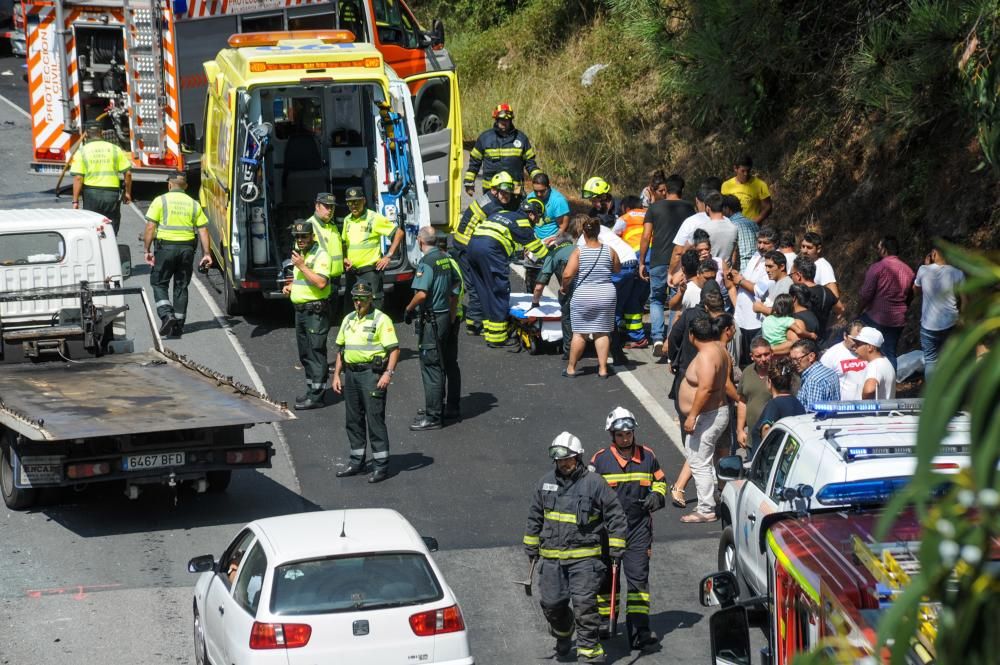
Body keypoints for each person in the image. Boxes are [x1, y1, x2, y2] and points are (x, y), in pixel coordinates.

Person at [523, 432, 628, 663]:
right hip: (552, 561)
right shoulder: (545, 483)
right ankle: (563, 631)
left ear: (578, 458)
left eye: (568, 459)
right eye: (560, 460)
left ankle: (589, 653)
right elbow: (534, 517)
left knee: (584, 607)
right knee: (551, 606)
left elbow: (615, 515)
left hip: (586, 561)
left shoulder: (594, 483)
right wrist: (530, 545)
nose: (563, 464)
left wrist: (617, 546)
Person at [589, 408, 665, 651]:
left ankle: (640, 631)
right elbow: (587, 493)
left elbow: (661, 482)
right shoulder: (599, 460)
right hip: (607, 531)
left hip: (638, 529)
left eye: (629, 434)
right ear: (612, 435)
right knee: (605, 579)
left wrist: (656, 496)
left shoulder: (648, 456)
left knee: (638, 580)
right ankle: (604, 622)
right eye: (620, 435)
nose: (625, 438)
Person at [333, 283, 400, 483]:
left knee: (374, 420)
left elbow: (394, 349)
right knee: (353, 420)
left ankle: (381, 466)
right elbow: (341, 350)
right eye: (355, 298)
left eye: (362, 298)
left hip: (371, 375)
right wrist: (336, 375)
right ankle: (357, 462)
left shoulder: (381, 319)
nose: (358, 302)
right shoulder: (348, 319)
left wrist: (388, 373)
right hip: (352, 375)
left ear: (370, 298)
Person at [467, 199, 549, 347]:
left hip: (472, 247)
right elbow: (538, 249)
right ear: (531, 214)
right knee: (499, 290)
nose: (536, 222)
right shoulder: (523, 222)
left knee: (484, 289)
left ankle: (489, 331)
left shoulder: (504, 213)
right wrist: (552, 257)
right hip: (490, 251)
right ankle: (497, 339)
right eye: (537, 218)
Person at [404, 228, 463, 431]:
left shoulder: (427, 262)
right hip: (446, 316)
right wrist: (451, 311)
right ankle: (443, 406)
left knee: (431, 367)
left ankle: (433, 416)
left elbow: (421, 294)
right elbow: (456, 284)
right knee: (447, 361)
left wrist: (408, 309)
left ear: (420, 241)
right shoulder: (445, 258)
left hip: (432, 319)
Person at [143, 175, 212, 338]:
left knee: (159, 283)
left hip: (165, 248)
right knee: (181, 286)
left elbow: (150, 227)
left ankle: (167, 315)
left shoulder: (160, 201)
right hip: (187, 250)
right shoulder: (194, 203)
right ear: (186, 186)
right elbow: (203, 230)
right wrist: (207, 254)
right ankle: (178, 327)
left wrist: (146, 249)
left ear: (169, 185)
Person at [678, 314, 730, 523]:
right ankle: (711, 499)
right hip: (714, 413)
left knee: (699, 461)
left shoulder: (708, 355)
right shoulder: (719, 349)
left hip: (707, 416)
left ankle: (706, 509)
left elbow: (706, 387)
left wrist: (692, 416)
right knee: (703, 459)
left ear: (692, 335)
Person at [453, 172, 516, 335]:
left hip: (465, 245)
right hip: (466, 249)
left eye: (509, 192)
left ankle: (476, 320)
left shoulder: (488, 199)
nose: (507, 195)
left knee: (478, 284)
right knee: (475, 286)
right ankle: (474, 323)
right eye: (504, 192)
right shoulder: (493, 208)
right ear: (494, 190)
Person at [639, 174, 694, 356]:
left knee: (656, 299)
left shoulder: (654, 208)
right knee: (675, 303)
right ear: (682, 189)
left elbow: (646, 236)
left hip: (657, 260)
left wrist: (641, 261)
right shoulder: (689, 208)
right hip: (679, 262)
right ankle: (671, 340)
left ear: (666, 189)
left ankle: (657, 338)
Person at [282, 221, 333, 410]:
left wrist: (302, 266)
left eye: (304, 236)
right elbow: (302, 280)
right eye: (297, 237)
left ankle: (317, 396)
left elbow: (321, 283)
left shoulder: (321, 255)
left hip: (315, 312)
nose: (300, 240)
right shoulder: (301, 255)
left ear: (312, 236)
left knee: (316, 353)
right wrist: (291, 287)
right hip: (301, 311)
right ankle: (312, 390)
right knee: (305, 353)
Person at [563, 217, 620, 378]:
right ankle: (602, 369)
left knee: (580, 333)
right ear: (598, 231)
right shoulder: (609, 250)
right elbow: (617, 269)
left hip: (584, 295)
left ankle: (571, 368)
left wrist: (563, 287)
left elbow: (567, 274)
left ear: (584, 233)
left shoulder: (579, 251)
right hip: (606, 295)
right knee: (602, 332)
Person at [341, 186, 404, 311]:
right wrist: (345, 258)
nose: (353, 205)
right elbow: (344, 243)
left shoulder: (374, 218)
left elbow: (399, 233)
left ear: (363, 201)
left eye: (356, 201)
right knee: (351, 309)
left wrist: (388, 256)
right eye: (350, 202)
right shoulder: (347, 220)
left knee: (373, 308)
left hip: (370, 273)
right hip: (352, 274)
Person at [858, 235, 915, 370]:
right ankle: (891, 387)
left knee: (865, 346)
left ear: (884, 250)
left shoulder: (877, 267)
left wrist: (857, 312)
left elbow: (866, 294)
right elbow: (911, 294)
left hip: (876, 317)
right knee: (890, 353)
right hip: (898, 319)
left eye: (879, 248)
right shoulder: (908, 270)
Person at [464, 103, 541, 196]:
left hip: (515, 191)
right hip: (492, 190)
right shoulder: (485, 138)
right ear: (496, 119)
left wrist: (539, 178)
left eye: (507, 120)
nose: (504, 122)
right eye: (501, 119)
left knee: (517, 211)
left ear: (511, 120)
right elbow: (474, 162)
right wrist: (469, 182)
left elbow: (530, 163)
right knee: (485, 210)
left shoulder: (521, 138)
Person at [70, 121, 132, 235]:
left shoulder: (82, 151)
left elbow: (78, 178)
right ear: (102, 133)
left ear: (86, 134)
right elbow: (127, 173)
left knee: (92, 225)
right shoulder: (114, 149)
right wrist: (127, 193)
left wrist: (75, 201)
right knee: (111, 225)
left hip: (91, 194)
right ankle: (110, 246)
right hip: (111, 194)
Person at [913, 243, 965, 376]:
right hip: (951, 323)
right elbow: (965, 300)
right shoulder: (957, 273)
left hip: (928, 326)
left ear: (934, 254)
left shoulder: (923, 270)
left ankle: (933, 394)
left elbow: (915, 290)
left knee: (931, 361)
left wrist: (926, 265)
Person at [728, 226, 777, 366]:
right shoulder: (756, 256)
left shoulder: (773, 263)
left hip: (756, 321)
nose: (761, 246)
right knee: (740, 360)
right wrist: (738, 277)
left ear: (775, 244)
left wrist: (740, 281)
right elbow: (747, 278)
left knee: (755, 362)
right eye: (759, 242)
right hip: (741, 317)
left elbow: (759, 290)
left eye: (766, 243)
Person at [531, 231, 577, 359]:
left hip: (570, 290)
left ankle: (569, 351)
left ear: (556, 244)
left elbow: (539, 286)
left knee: (567, 317)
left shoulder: (554, 254)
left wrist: (535, 303)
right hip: (595, 289)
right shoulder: (581, 248)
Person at [612, 196, 650, 349]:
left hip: (633, 260)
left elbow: (612, 238)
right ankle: (634, 332)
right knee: (638, 297)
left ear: (626, 208)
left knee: (627, 298)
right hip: (652, 260)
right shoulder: (650, 214)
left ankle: (635, 336)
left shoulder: (625, 218)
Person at [751, 356, 806, 452]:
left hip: (768, 464)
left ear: (769, 382)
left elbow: (766, 429)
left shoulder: (774, 404)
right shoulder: (798, 404)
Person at [306, 192, 346, 321]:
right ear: (317, 206)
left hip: (334, 281)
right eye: (326, 206)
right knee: (319, 324)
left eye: (332, 207)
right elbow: (300, 255)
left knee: (328, 319)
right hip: (319, 281)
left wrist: (343, 259)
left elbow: (334, 249)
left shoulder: (332, 225)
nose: (330, 210)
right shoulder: (309, 226)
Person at [791, 256, 842, 338]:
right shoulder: (826, 291)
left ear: (798, 275)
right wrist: (829, 325)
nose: (791, 279)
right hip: (822, 339)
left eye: (791, 275)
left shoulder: (798, 294)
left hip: (803, 341)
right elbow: (840, 309)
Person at [820, 320, 868, 400]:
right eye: (854, 340)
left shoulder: (868, 353)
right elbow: (822, 382)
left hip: (866, 407)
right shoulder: (831, 355)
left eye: (861, 341)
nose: (857, 344)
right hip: (842, 408)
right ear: (845, 335)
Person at [721, 154, 772, 225]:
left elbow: (767, 207)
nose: (746, 174)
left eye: (748, 171)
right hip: (731, 227)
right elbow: (722, 207)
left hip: (753, 229)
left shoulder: (760, 185)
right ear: (735, 169)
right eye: (743, 171)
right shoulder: (726, 186)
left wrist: (754, 222)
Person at [790, 339, 840, 409]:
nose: (794, 363)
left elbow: (813, 415)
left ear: (811, 356)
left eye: (797, 359)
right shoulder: (830, 373)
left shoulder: (813, 381)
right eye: (792, 360)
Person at [526, 172, 571, 244]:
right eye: (536, 191)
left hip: (553, 238)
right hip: (534, 236)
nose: (538, 194)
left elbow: (563, 227)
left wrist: (554, 239)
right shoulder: (530, 197)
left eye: (542, 191)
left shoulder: (558, 201)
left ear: (549, 186)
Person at [851, 327, 896, 399]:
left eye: (858, 344)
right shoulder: (885, 361)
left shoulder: (875, 366)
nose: (854, 347)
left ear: (870, 347)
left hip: (877, 410)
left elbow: (869, 390)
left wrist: (863, 403)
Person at [722, 194, 758, 269]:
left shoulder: (730, 226)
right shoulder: (753, 223)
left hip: (741, 268)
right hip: (756, 265)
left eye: (722, 209)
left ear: (727, 209)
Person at [799, 231, 839, 298]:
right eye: (803, 246)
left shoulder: (823, 266)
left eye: (809, 247)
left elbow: (834, 296)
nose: (804, 251)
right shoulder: (802, 263)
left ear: (818, 249)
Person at [752, 250, 793, 316]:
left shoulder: (786, 285)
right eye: (766, 266)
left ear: (782, 267)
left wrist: (761, 308)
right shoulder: (775, 283)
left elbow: (783, 314)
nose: (767, 270)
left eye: (770, 266)